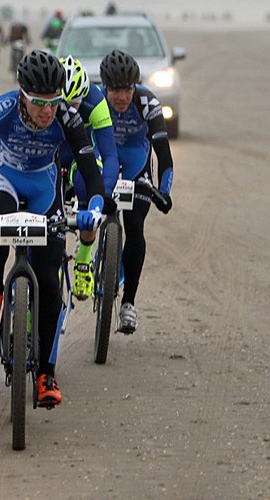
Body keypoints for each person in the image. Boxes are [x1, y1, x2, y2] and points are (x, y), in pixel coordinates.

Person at [0, 51, 109, 407]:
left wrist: (93, 208)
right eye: (38, 103)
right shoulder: (2, 109)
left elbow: (91, 173)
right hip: (3, 176)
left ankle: (46, 373)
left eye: (53, 102)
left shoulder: (67, 116)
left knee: (49, 278)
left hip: (41, 186)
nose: (47, 111)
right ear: (22, 94)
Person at [98, 50, 173, 334]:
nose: (122, 96)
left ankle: (128, 303)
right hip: (104, 158)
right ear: (105, 86)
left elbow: (164, 155)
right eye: (116, 89)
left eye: (128, 88)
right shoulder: (95, 101)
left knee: (135, 225)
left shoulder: (146, 102)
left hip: (136, 163)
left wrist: (164, 191)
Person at [56, 57, 118, 300]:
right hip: (51, 153)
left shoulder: (95, 100)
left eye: (75, 104)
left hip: (80, 154)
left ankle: (84, 257)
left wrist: (105, 192)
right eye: (64, 103)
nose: (70, 110)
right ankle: (52, 257)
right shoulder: (44, 99)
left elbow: (110, 153)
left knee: (86, 185)